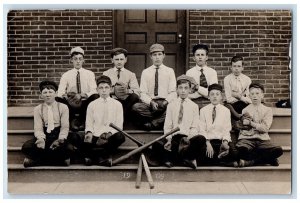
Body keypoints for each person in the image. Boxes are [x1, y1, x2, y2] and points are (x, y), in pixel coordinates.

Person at [152, 75, 206, 169]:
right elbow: (168, 126)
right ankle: (176, 159)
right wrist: (169, 139)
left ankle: (182, 158)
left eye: (186, 88)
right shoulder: (171, 105)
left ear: (190, 90)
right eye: (180, 88)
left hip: (187, 138)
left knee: (201, 139)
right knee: (156, 144)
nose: (183, 91)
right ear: (176, 90)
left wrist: (189, 138)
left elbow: (194, 126)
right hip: (174, 138)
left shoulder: (194, 106)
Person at [22, 81, 71, 167]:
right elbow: (38, 128)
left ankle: (37, 161)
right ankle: (58, 161)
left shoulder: (63, 107)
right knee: (26, 147)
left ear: (56, 93)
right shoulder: (38, 109)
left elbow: (65, 127)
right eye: (45, 92)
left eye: (50, 92)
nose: (48, 95)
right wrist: (40, 139)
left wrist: (60, 140)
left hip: (58, 134)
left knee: (67, 148)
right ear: (41, 95)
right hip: (45, 134)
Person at [235, 83, 283, 167]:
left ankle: (251, 162)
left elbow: (265, 129)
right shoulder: (245, 110)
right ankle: (268, 159)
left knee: (278, 150)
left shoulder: (267, 110)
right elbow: (244, 129)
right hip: (247, 139)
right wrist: (247, 126)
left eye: (257, 93)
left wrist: (251, 123)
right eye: (252, 94)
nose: (254, 96)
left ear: (262, 95)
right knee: (241, 150)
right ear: (249, 95)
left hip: (262, 140)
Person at [132, 43, 177, 130]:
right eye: (154, 55)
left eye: (159, 54)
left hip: (165, 103)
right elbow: (143, 93)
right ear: (150, 56)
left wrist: (165, 102)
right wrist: (151, 102)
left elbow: (173, 92)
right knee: (136, 107)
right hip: (151, 104)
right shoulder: (146, 72)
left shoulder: (169, 71)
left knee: (174, 108)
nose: (157, 57)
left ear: (164, 55)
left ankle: (153, 124)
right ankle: (161, 121)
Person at [83, 75, 125, 166]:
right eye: (101, 88)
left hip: (109, 137)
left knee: (120, 137)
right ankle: (100, 158)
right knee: (75, 137)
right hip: (95, 135)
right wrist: (89, 133)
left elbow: (119, 126)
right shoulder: (92, 104)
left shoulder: (117, 104)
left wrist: (108, 135)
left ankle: (95, 156)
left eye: (106, 87)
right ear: (97, 90)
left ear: (111, 89)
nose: (104, 90)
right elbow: (89, 123)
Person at [56, 46, 99, 131]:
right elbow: (60, 92)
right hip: (71, 102)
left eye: (80, 59)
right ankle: (72, 121)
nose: (78, 61)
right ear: (71, 60)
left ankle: (83, 121)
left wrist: (82, 95)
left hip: (84, 101)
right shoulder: (66, 75)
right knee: (57, 99)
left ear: (83, 60)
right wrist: (68, 97)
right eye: (75, 59)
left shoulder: (89, 74)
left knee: (95, 96)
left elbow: (94, 90)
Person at [198, 84, 238, 166]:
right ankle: (222, 161)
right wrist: (207, 143)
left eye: (217, 94)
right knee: (202, 155)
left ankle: (217, 160)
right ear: (208, 97)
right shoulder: (203, 110)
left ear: (221, 97)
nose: (215, 97)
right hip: (209, 141)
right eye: (212, 94)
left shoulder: (226, 111)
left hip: (221, 141)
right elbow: (202, 129)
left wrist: (225, 143)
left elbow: (227, 130)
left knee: (235, 154)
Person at [103, 48, 140, 121]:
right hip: (112, 99)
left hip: (125, 101)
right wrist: (114, 91)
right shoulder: (106, 73)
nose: (119, 62)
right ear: (112, 60)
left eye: (121, 59)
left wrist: (127, 91)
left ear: (125, 60)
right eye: (116, 59)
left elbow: (137, 91)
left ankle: (120, 119)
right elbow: (102, 89)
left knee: (134, 96)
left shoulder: (131, 74)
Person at [186, 44, 218, 109]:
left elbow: (212, 92)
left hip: (209, 102)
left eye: (202, 55)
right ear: (194, 58)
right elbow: (188, 94)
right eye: (197, 55)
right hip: (193, 102)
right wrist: (203, 93)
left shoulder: (212, 72)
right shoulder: (189, 73)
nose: (200, 57)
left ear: (206, 57)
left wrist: (197, 88)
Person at [224, 55, 252, 120]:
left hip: (244, 105)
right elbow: (229, 99)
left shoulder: (247, 79)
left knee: (251, 106)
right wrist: (242, 96)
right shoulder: (227, 79)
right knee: (227, 107)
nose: (236, 69)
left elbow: (249, 99)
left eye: (239, 66)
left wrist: (238, 96)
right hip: (232, 105)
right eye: (234, 66)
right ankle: (239, 118)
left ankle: (242, 122)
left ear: (243, 68)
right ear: (231, 67)